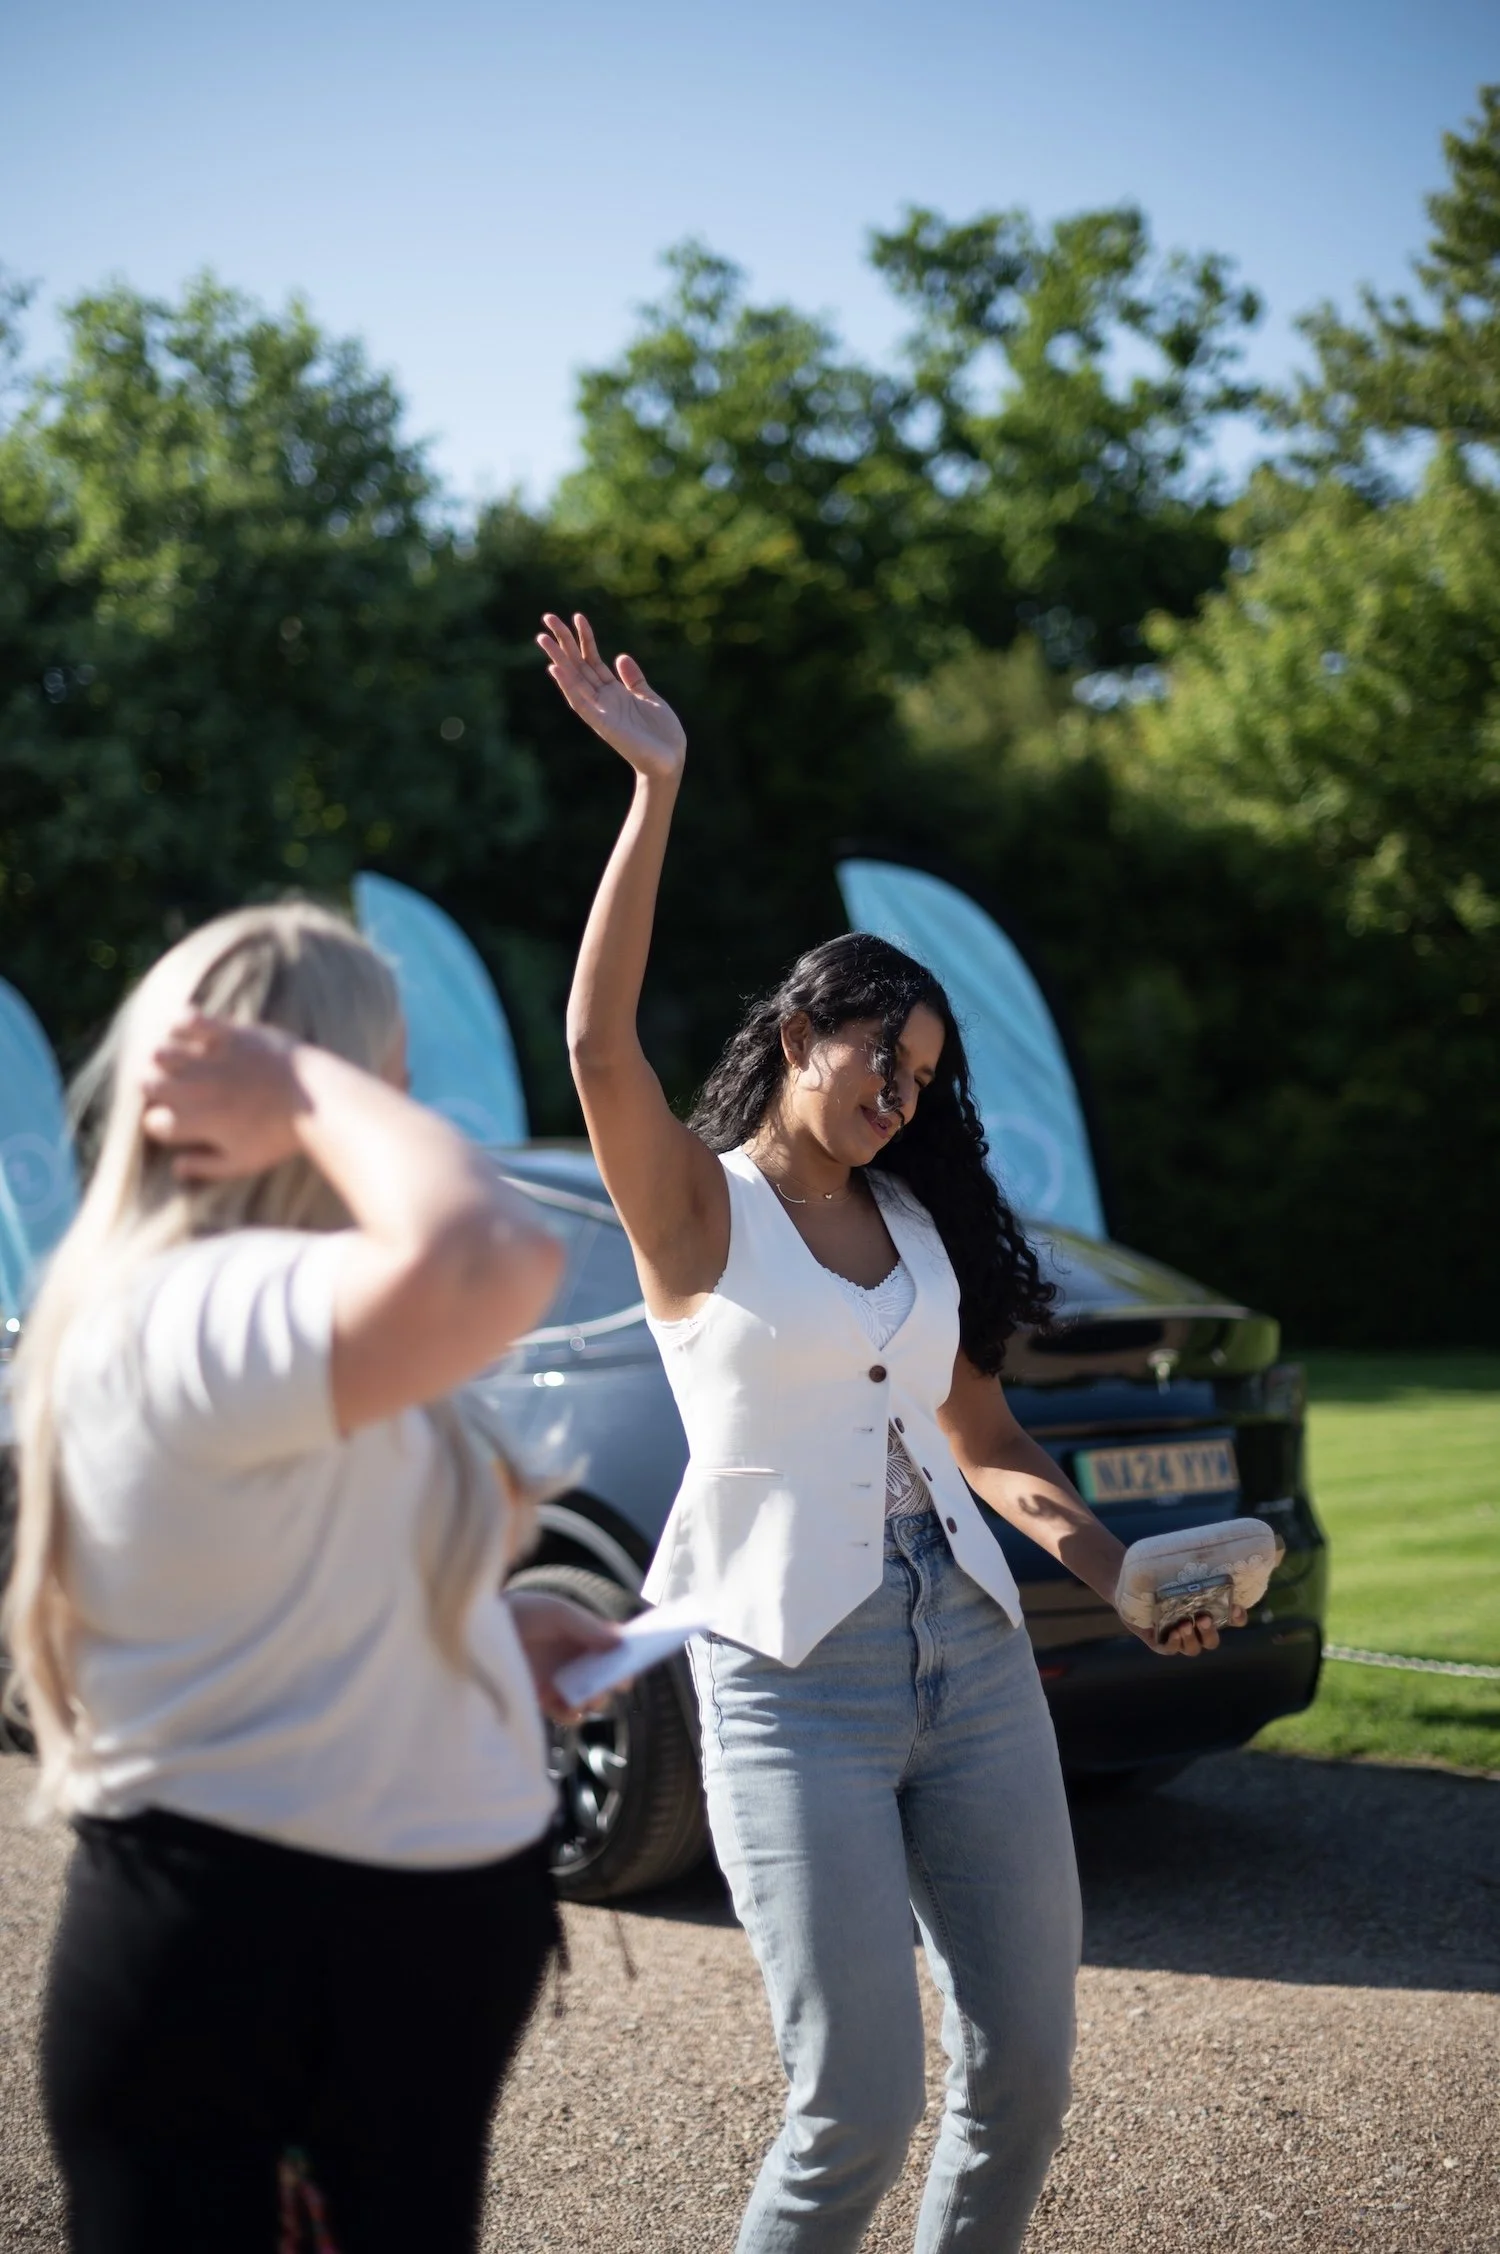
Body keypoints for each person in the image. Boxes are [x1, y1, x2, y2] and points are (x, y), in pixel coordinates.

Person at [539, 611, 1249, 2254]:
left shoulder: (923, 1234)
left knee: (1025, 2077)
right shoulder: (695, 1218)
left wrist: (1117, 1566)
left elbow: (985, 1437)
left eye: (926, 1075)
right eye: (881, 1053)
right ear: (799, 1035)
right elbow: (595, 1044)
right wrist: (656, 792)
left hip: (977, 1660)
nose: (902, 1093)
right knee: (853, 2097)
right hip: (795, 1682)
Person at [4, 901, 619, 2254]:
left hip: (329, 1987)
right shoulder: (197, 1301)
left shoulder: (271, 1306)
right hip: (243, 1980)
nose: (392, 1107)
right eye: (376, 1072)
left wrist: (478, 1624)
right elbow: (495, 1251)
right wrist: (302, 1086)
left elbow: (274, 1578)